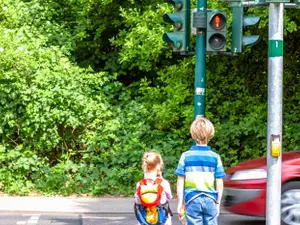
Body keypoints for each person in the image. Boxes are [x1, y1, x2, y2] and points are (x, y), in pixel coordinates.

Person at [175, 117, 226, 225]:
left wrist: (180, 203)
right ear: (210, 134)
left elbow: (180, 181)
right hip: (210, 199)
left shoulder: (185, 156)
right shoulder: (215, 157)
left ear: (193, 135)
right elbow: (219, 183)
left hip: (192, 199)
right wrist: (218, 202)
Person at [134, 151, 173, 225]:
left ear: (144, 167)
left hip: (144, 219)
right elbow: (169, 197)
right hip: (162, 220)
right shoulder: (164, 183)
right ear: (158, 166)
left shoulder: (139, 184)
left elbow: (137, 202)